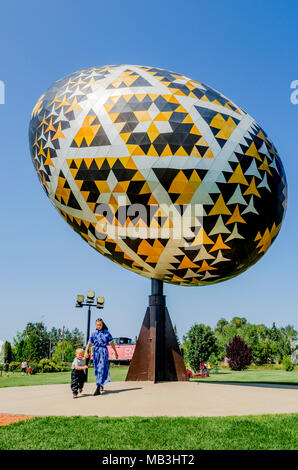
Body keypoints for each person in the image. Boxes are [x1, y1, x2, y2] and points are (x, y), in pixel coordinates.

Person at [84, 318, 118, 396]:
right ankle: (101, 383)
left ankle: (98, 388)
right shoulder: (93, 333)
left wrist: (115, 352)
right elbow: (89, 343)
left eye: (100, 325)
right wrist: (86, 351)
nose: (98, 326)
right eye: (97, 325)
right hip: (96, 352)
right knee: (97, 369)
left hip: (103, 351)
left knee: (101, 368)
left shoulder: (106, 333)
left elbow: (112, 343)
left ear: (102, 324)